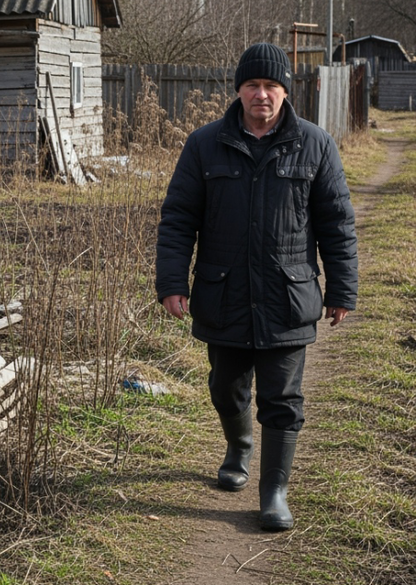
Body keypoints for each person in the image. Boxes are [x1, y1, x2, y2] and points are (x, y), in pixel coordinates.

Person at [155, 43, 358, 531]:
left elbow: (337, 223)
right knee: (225, 388)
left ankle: (274, 492)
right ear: (239, 91)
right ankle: (238, 445)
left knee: (282, 401)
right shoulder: (204, 144)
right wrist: (171, 281)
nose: (261, 95)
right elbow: (179, 217)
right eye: (252, 85)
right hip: (222, 292)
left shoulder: (316, 144)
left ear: (285, 92)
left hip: (288, 297)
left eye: (271, 86)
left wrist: (342, 290)